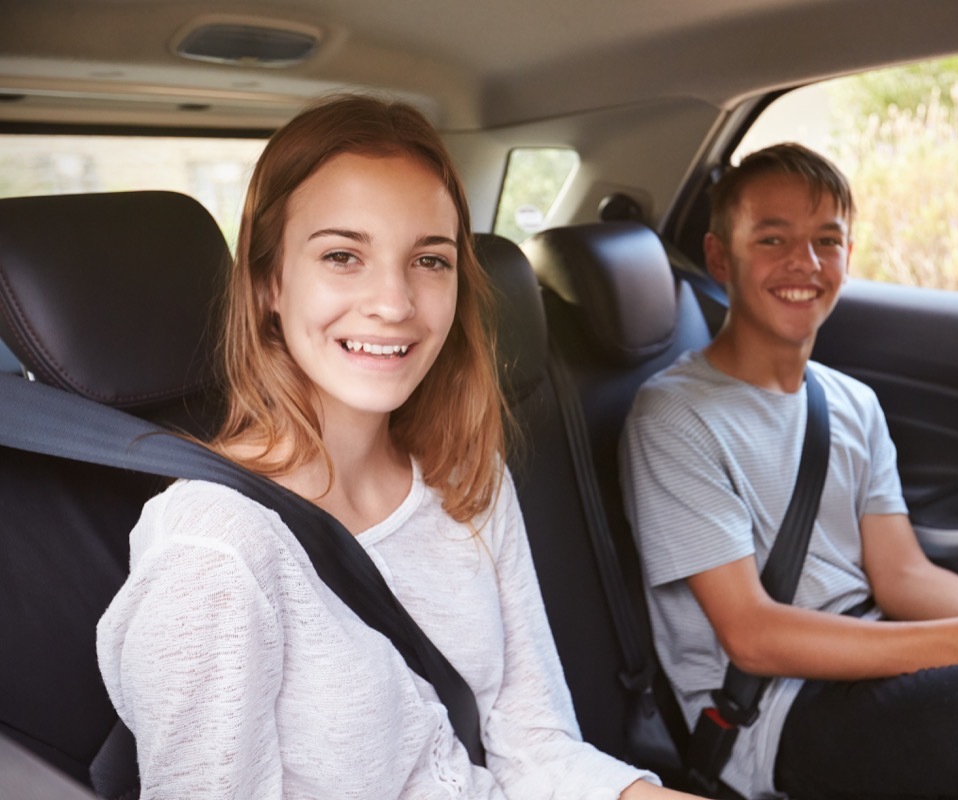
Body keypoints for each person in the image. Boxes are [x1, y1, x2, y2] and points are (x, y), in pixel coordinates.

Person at [96, 94, 699, 800]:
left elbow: (532, 744)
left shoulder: (468, 478)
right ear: (268, 283)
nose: (394, 302)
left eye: (430, 261)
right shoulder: (216, 554)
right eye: (343, 256)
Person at [619, 142, 958, 800]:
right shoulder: (674, 417)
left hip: (876, 656)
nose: (804, 263)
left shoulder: (849, 401)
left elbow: (902, 575)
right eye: (773, 239)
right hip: (772, 715)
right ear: (720, 257)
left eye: (826, 240)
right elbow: (752, 635)